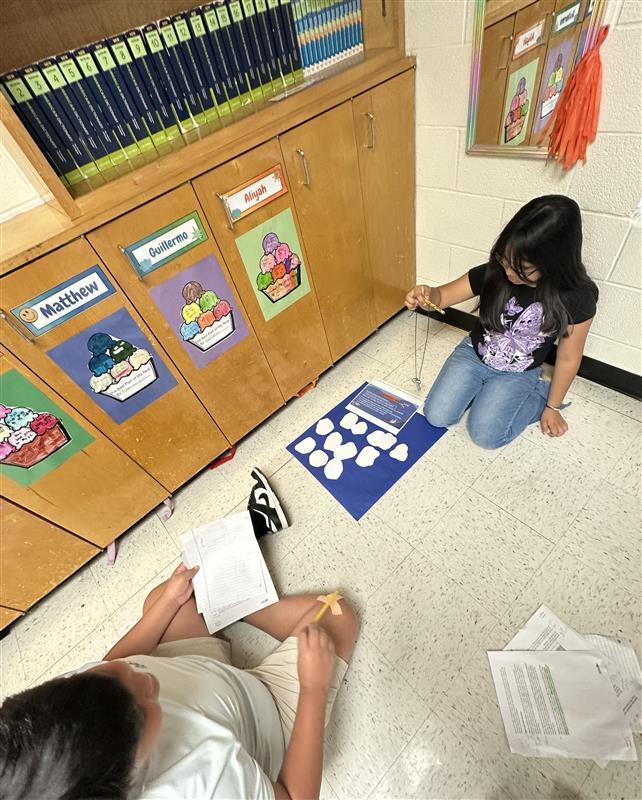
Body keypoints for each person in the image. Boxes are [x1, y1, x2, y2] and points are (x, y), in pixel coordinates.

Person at [0, 471, 358, 800]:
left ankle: (233, 599)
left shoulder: (55, 718)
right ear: (132, 779)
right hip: (267, 720)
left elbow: (113, 661)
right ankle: (239, 599)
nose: (144, 677)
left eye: (121, 676)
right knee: (339, 615)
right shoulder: (206, 784)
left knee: (162, 598)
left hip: (204, 676)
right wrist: (313, 687)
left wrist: (168, 603)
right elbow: (296, 797)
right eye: (144, 705)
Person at [406, 195, 598, 449]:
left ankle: (537, 394)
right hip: (473, 356)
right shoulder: (495, 272)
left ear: (554, 264)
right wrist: (426, 295)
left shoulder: (577, 296)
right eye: (505, 260)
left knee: (486, 436)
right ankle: (483, 391)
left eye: (521, 269)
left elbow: (568, 358)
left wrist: (552, 406)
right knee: (437, 416)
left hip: (519, 371)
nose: (508, 272)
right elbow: (441, 296)